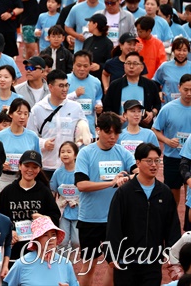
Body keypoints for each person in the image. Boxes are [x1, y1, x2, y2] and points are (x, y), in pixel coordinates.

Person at [74, 112, 138, 286]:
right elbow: (81, 185)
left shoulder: (123, 153)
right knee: (89, 265)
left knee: (114, 265)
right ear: (97, 130)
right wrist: (112, 183)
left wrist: (129, 178)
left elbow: (138, 172)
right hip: (90, 219)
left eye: (116, 133)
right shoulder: (85, 153)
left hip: (116, 220)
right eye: (108, 132)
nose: (113, 137)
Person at [105, 142, 180, 284]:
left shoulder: (164, 193)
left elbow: (172, 226)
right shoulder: (124, 192)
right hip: (126, 261)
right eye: (149, 161)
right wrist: (112, 255)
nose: (154, 165)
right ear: (138, 163)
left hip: (153, 262)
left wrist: (172, 254)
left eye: (157, 161)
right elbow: (114, 225)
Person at [27, 69, 85, 178]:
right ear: (50, 87)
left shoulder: (76, 108)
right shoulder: (38, 109)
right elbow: (30, 137)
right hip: (46, 165)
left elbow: (84, 130)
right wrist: (43, 143)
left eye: (67, 85)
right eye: (61, 86)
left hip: (69, 166)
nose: (65, 89)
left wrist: (79, 143)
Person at [4, 215, 78, 286]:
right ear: (36, 239)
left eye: (53, 235)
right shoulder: (21, 264)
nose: (51, 239)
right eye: (45, 235)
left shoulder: (66, 264)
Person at [152, 74, 191, 206]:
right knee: (171, 199)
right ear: (179, 88)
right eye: (186, 89)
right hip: (172, 158)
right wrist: (167, 141)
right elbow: (155, 129)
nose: (189, 93)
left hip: (190, 159)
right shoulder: (168, 108)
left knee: (190, 199)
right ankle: (172, 225)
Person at [103, 51, 161, 126]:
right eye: (128, 63)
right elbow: (107, 107)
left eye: (135, 64)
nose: (131, 67)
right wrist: (116, 118)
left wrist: (152, 114)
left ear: (142, 67)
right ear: (124, 66)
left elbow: (157, 104)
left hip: (143, 129)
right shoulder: (115, 85)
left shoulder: (150, 85)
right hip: (120, 131)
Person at [50, 141, 80, 252]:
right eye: (62, 152)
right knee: (62, 240)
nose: (65, 154)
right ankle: (63, 264)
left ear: (75, 154)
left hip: (78, 210)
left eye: (69, 151)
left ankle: (71, 261)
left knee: (76, 242)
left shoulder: (80, 171)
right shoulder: (58, 173)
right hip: (63, 210)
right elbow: (52, 191)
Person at [67, 50, 103, 138]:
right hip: (69, 127)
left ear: (91, 66)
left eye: (85, 66)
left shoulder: (96, 82)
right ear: (73, 65)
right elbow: (59, 101)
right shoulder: (65, 80)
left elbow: (98, 97)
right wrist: (74, 94)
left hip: (89, 128)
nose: (82, 69)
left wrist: (99, 105)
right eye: (79, 65)